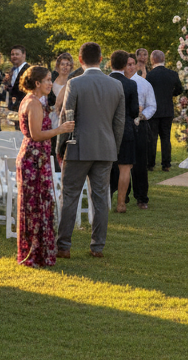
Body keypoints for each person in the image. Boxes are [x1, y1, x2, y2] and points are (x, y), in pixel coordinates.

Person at [56, 42, 125, 259]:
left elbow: (66, 117)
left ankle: (64, 245)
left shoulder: (75, 83)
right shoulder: (116, 85)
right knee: (101, 198)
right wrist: (114, 147)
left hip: (77, 148)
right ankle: (98, 246)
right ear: (101, 58)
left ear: (80, 59)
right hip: (105, 149)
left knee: (69, 196)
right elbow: (119, 122)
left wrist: (60, 146)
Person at [17, 66, 74, 267]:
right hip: (33, 158)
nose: (51, 83)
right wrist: (60, 129)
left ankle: (40, 250)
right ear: (37, 83)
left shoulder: (37, 101)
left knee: (41, 203)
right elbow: (36, 134)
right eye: (47, 80)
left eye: (51, 79)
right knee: (35, 205)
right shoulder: (32, 103)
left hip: (38, 157)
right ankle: (34, 253)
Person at [107, 51, 140, 214]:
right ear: (124, 64)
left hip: (105, 129)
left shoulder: (103, 82)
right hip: (126, 128)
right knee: (125, 168)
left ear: (110, 63)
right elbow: (134, 111)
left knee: (103, 167)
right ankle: (121, 203)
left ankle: (103, 201)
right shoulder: (130, 84)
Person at [126, 54, 156, 210]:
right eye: (127, 64)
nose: (130, 67)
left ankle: (141, 197)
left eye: (132, 64)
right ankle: (123, 195)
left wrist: (143, 115)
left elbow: (152, 105)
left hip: (140, 125)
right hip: (123, 125)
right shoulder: (116, 82)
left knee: (140, 163)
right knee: (122, 162)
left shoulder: (144, 84)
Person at [146, 50, 180, 171]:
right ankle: (166, 164)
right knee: (166, 138)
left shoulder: (150, 75)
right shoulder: (173, 74)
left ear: (152, 60)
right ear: (163, 59)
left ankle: (150, 164)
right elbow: (180, 89)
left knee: (153, 138)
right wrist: (170, 94)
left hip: (153, 110)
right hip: (167, 110)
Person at [3, 45, 29, 126]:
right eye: (12, 54)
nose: (14, 56)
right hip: (14, 110)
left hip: (25, 110)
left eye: (17, 54)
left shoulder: (29, 70)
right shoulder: (12, 71)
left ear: (24, 55)